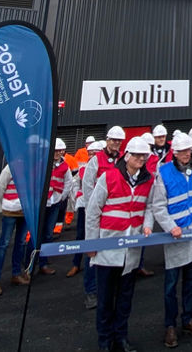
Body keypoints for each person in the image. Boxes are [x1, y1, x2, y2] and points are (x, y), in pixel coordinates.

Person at [86, 136, 155, 352]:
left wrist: (147, 225)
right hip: (108, 247)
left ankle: (121, 338)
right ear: (127, 156)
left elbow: (150, 207)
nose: (141, 159)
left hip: (131, 250)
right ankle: (105, 341)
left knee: (125, 299)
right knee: (106, 300)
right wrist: (91, 244)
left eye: (143, 155)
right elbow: (93, 211)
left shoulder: (148, 180)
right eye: (136, 155)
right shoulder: (109, 177)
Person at [149, 133, 192, 348]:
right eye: (182, 151)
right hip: (175, 233)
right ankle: (170, 325)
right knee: (171, 285)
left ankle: (188, 319)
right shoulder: (163, 171)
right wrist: (170, 226)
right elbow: (158, 206)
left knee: (191, 281)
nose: (186, 154)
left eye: (188, 150)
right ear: (174, 153)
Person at [81, 126, 128, 296]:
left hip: (117, 213)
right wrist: (92, 209)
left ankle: (111, 287)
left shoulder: (124, 159)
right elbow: (87, 185)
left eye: (119, 141)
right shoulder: (96, 160)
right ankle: (91, 290)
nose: (116, 143)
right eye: (113, 140)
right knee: (93, 251)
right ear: (107, 140)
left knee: (114, 250)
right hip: (98, 212)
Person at [67, 140, 105, 310]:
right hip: (86, 208)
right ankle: (89, 287)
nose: (92, 156)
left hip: (104, 211)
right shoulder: (84, 168)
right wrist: (77, 197)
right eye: (90, 153)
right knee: (85, 240)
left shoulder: (108, 169)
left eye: (96, 152)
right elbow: (75, 183)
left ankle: (102, 288)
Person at [0, 163, 30, 295]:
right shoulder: (11, 167)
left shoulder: (33, 166)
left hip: (25, 210)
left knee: (21, 242)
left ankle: (16, 274)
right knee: (4, 244)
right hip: (10, 211)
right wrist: (7, 204)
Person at [37, 138, 74, 275]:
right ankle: (30, 261)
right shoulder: (42, 163)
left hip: (54, 202)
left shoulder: (65, 166)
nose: (58, 153)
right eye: (56, 150)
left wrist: (61, 197)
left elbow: (68, 182)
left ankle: (43, 263)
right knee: (36, 233)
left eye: (60, 150)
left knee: (48, 233)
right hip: (41, 203)